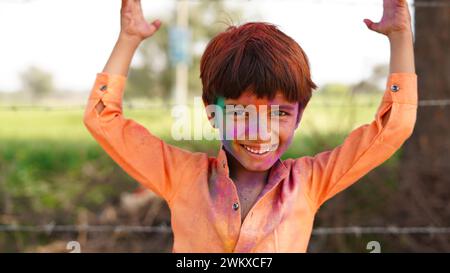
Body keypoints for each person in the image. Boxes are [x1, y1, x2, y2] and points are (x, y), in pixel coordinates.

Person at [83, 0, 417, 252]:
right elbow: (102, 118)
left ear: (299, 115)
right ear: (211, 112)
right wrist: (128, 40)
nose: (260, 131)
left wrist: (401, 37)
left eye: (280, 114)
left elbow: (393, 127)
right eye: (242, 113)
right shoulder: (181, 175)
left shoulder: (310, 182)